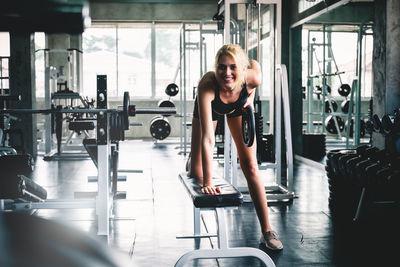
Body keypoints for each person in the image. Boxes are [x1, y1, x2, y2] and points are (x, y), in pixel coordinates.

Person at [186, 44, 283, 251]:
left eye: (233, 67)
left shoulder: (252, 78)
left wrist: (252, 95)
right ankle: (193, 159)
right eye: (222, 67)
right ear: (216, 68)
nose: (227, 73)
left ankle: (267, 231)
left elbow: (256, 65)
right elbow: (209, 139)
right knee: (196, 171)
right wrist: (208, 182)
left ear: (241, 68)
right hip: (211, 107)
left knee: (250, 166)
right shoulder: (207, 84)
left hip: (237, 106)